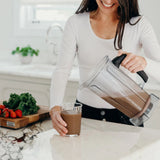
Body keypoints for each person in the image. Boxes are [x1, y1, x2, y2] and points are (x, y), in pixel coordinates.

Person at [50, 0, 160, 136]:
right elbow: (62, 70)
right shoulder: (76, 23)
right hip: (85, 115)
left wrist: (144, 63)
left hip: (127, 117)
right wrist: (54, 107)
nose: (107, 1)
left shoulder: (139, 24)